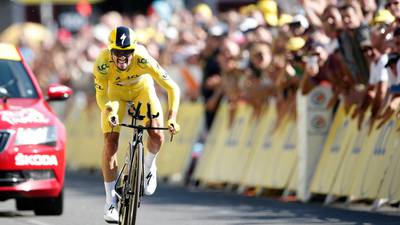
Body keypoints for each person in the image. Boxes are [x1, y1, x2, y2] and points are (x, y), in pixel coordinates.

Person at [93, 26, 181, 223]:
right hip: (115, 97)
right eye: (117, 53)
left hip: (143, 91)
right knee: (110, 142)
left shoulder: (143, 58)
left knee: (157, 135)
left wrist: (172, 117)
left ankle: (149, 167)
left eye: (126, 53)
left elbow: (172, 87)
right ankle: (110, 202)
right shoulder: (102, 63)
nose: (122, 58)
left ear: (134, 50)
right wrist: (110, 111)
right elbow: (101, 94)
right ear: (110, 51)